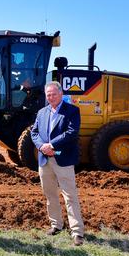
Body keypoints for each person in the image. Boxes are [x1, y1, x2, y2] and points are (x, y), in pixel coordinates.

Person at [30, 81, 85, 246]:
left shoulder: (72, 111)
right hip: (45, 160)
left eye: (54, 94)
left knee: (70, 195)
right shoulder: (41, 112)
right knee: (50, 194)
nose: (51, 97)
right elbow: (34, 132)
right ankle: (56, 225)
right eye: (48, 94)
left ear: (61, 94)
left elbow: (71, 132)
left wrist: (51, 145)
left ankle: (77, 232)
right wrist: (41, 146)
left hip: (63, 159)